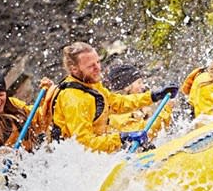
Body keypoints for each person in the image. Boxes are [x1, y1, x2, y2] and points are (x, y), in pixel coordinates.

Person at [47, 42, 178, 153]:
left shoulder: (91, 84)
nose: (98, 68)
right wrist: (121, 138)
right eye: (91, 66)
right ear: (74, 69)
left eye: (98, 62)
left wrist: (154, 96)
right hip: (74, 161)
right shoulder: (74, 100)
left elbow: (117, 103)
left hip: (96, 151)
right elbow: (84, 144)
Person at [106, 63, 172, 138]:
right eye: (139, 83)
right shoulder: (117, 113)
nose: (143, 87)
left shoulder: (139, 108)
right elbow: (144, 134)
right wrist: (167, 109)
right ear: (127, 87)